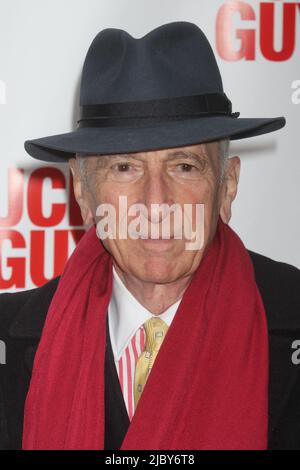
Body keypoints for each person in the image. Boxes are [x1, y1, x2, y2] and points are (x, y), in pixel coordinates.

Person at [0, 21, 300, 450]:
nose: (155, 203)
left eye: (184, 166)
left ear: (227, 186)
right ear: (84, 191)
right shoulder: (8, 339)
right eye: (125, 167)